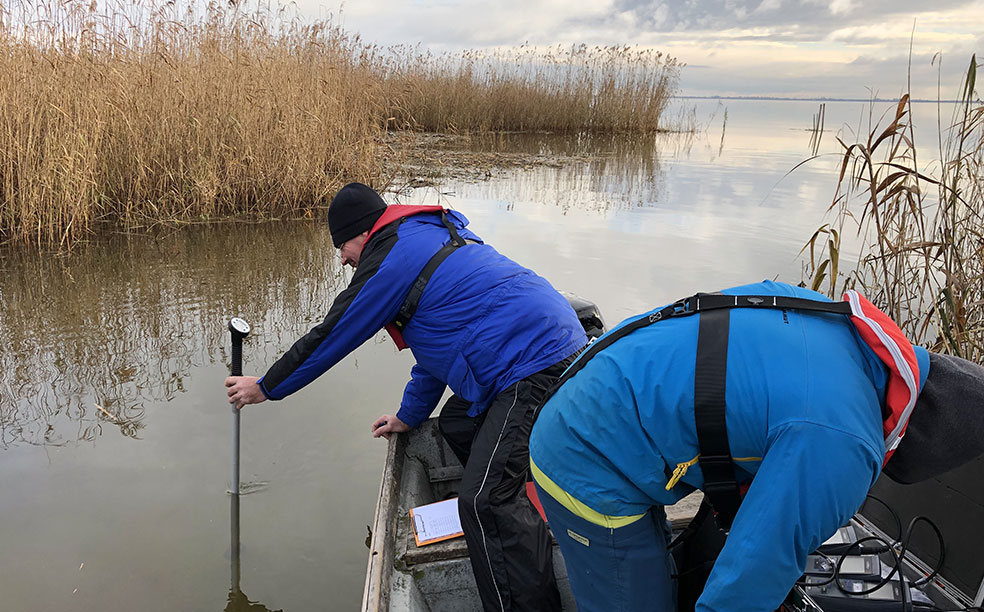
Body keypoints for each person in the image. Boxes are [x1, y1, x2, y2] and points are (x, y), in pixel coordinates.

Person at [225, 182, 587, 612]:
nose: (342, 258)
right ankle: (524, 500)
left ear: (363, 234)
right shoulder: (422, 237)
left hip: (533, 364)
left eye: (342, 246)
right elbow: (435, 354)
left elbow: (331, 337)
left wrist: (266, 386)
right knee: (457, 422)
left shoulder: (389, 261)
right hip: (543, 347)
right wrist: (408, 415)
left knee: (483, 500)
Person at [527, 279, 984, 612]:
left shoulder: (834, 322)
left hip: (600, 391)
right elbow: (744, 587)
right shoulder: (845, 441)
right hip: (585, 455)